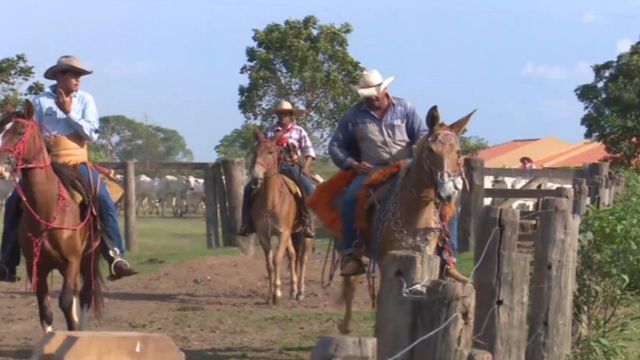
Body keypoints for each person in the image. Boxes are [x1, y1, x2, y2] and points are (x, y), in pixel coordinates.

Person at [0, 55, 137, 282]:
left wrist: (68, 112)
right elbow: (30, 134)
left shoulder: (85, 100)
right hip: (47, 165)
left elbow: (92, 134)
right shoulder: (39, 102)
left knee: (102, 199)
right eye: (73, 74)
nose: (78, 80)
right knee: (15, 203)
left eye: (80, 75)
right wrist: (45, 138)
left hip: (77, 164)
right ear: (59, 76)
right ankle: (7, 262)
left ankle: (115, 256)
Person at [328, 69, 428, 276]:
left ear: (385, 90)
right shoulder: (353, 116)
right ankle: (352, 253)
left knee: (441, 198)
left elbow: (421, 133)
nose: (372, 100)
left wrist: (418, 148)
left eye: (375, 95)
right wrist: (352, 164)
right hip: (373, 169)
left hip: (406, 166)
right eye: (367, 96)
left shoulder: (405, 108)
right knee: (349, 199)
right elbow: (335, 146)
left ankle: (448, 253)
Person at [237, 100, 317, 238]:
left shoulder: (299, 131)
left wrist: (306, 167)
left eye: (285, 114)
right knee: (249, 188)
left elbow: (309, 152)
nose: (283, 117)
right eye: (280, 114)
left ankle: (307, 223)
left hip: (291, 166)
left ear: (291, 115)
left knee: (309, 188)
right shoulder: (270, 131)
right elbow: (262, 150)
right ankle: (246, 223)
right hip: (272, 168)